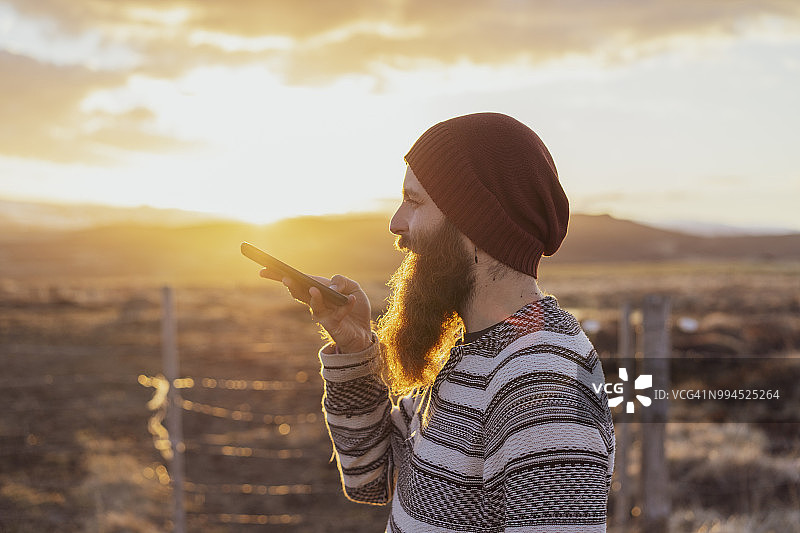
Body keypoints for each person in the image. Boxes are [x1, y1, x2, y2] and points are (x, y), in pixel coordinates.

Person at [262, 112, 615, 532]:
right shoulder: (472, 353)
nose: (395, 222)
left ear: (476, 223)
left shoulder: (541, 385)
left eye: (414, 202)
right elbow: (373, 478)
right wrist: (356, 349)